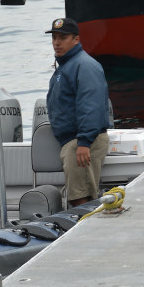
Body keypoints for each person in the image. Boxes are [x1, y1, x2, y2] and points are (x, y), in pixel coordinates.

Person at [45, 16, 110, 207]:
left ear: (76, 39)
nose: (57, 42)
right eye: (54, 37)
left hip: (81, 143)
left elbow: (91, 105)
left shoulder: (84, 65)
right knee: (80, 195)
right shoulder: (67, 66)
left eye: (62, 38)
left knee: (80, 199)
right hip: (73, 142)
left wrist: (84, 142)